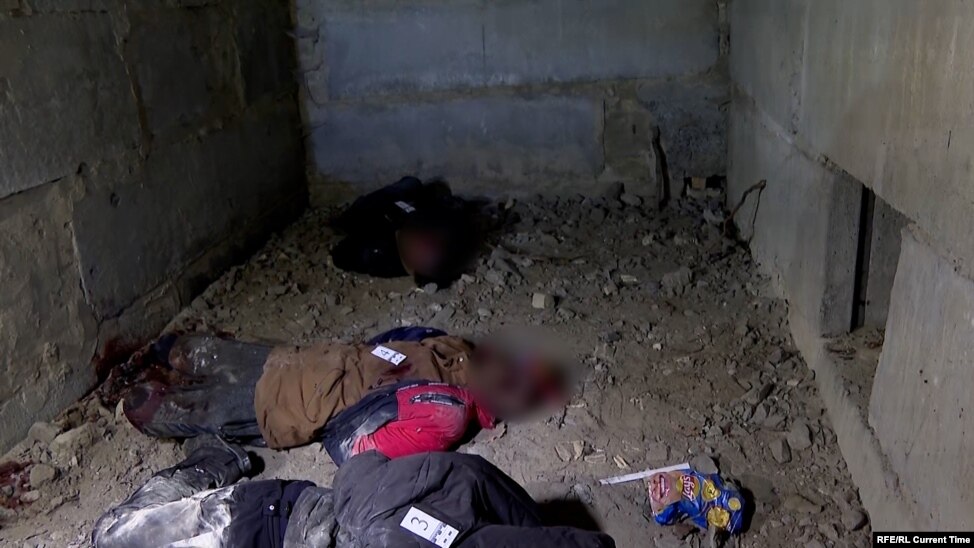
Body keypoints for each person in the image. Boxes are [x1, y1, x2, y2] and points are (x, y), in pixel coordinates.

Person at [92, 440, 615, 547]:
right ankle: (217, 457)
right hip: (276, 515)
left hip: (271, 517)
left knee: (109, 536)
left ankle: (216, 459)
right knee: (109, 535)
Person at [119, 328, 562, 450]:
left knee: (150, 408)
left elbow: (359, 446)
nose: (505, 369)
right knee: (184, 350)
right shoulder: (452, 348)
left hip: (296, 404)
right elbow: (390, 340)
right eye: (515, 366)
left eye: (513, 382)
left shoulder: (447, 411)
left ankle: (179, 404)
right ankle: (180, 366)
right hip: (312, 360)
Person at [330, 176, 482, 288]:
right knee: (411, 184)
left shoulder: (379, 253)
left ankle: (343, 224)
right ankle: (342, 222)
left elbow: (340, 256)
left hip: (379, 230)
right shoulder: (437, 228)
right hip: (402, 215)